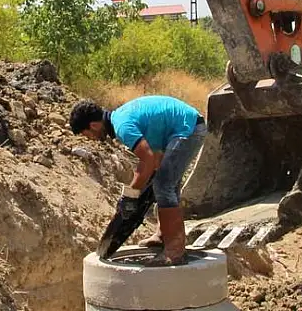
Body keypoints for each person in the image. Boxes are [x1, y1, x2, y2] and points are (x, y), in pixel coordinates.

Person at [70, 95, 206, 265]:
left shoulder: (122, 126)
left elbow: (147, 159)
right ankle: (163, 235)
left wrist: (130, 195)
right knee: (165, 182)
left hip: (188, 129)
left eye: (87, 134)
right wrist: (137, 189)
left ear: (94, 125)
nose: (91, 138)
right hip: (183, 127)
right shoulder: (121, 119)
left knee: (164, 185)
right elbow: (153, 160)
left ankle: (175, 251)